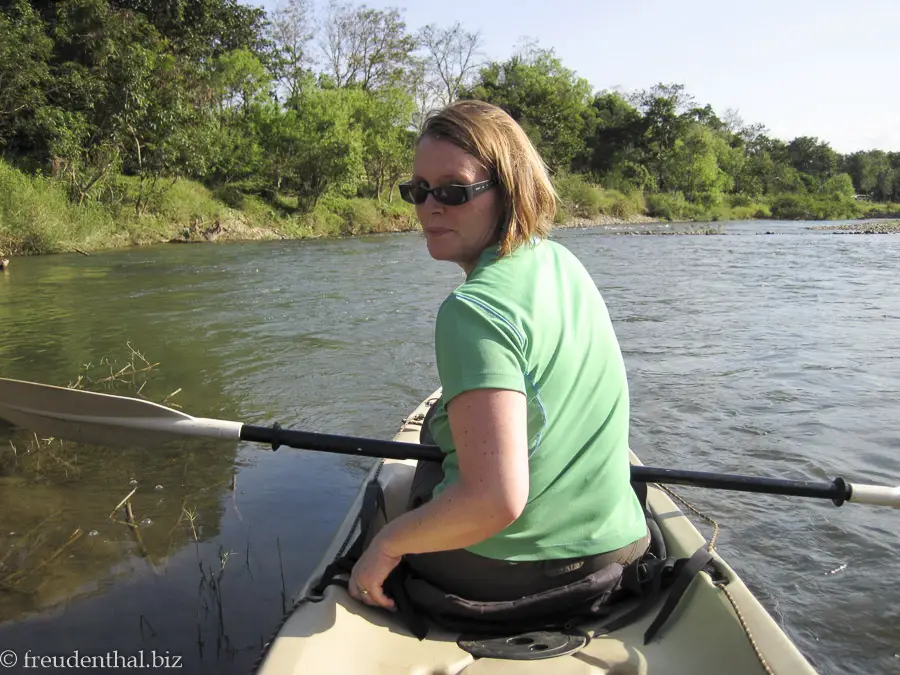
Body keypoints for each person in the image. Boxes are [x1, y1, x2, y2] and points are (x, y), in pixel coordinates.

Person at [348, 99, 650, 614]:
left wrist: (387, 545)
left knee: (428, 446)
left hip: (515, 572)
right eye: (417, 190)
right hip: (622, 546)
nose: (428, 206)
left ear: (508, 190)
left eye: (452, 190)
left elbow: (495, 501)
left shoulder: (471, 310)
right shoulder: (561, 261)